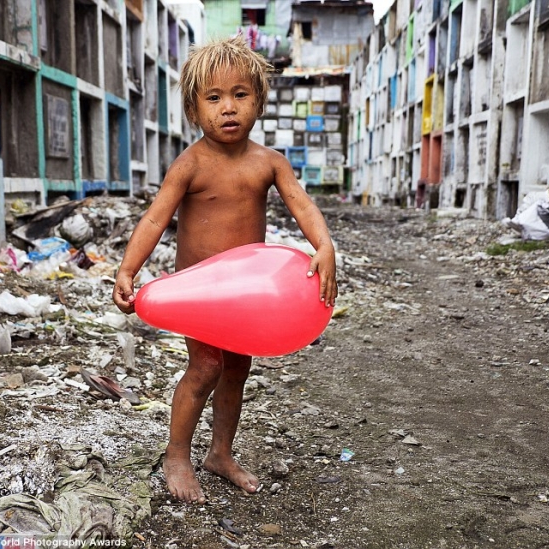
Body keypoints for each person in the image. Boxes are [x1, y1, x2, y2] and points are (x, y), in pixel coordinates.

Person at [112, 35, 338, 504]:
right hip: (200, 294)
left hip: (246, 294)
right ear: (195, 111)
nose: (228, 108)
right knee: (205, 366)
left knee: (236, 368)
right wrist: (128, 269)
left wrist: (324, 245)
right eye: (213, 98)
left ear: (259, 101)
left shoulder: (268, 163)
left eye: (240, 95)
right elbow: (155, 218)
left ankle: (220, 454)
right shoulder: (190, 164)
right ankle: (177, 454)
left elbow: (302, 204)